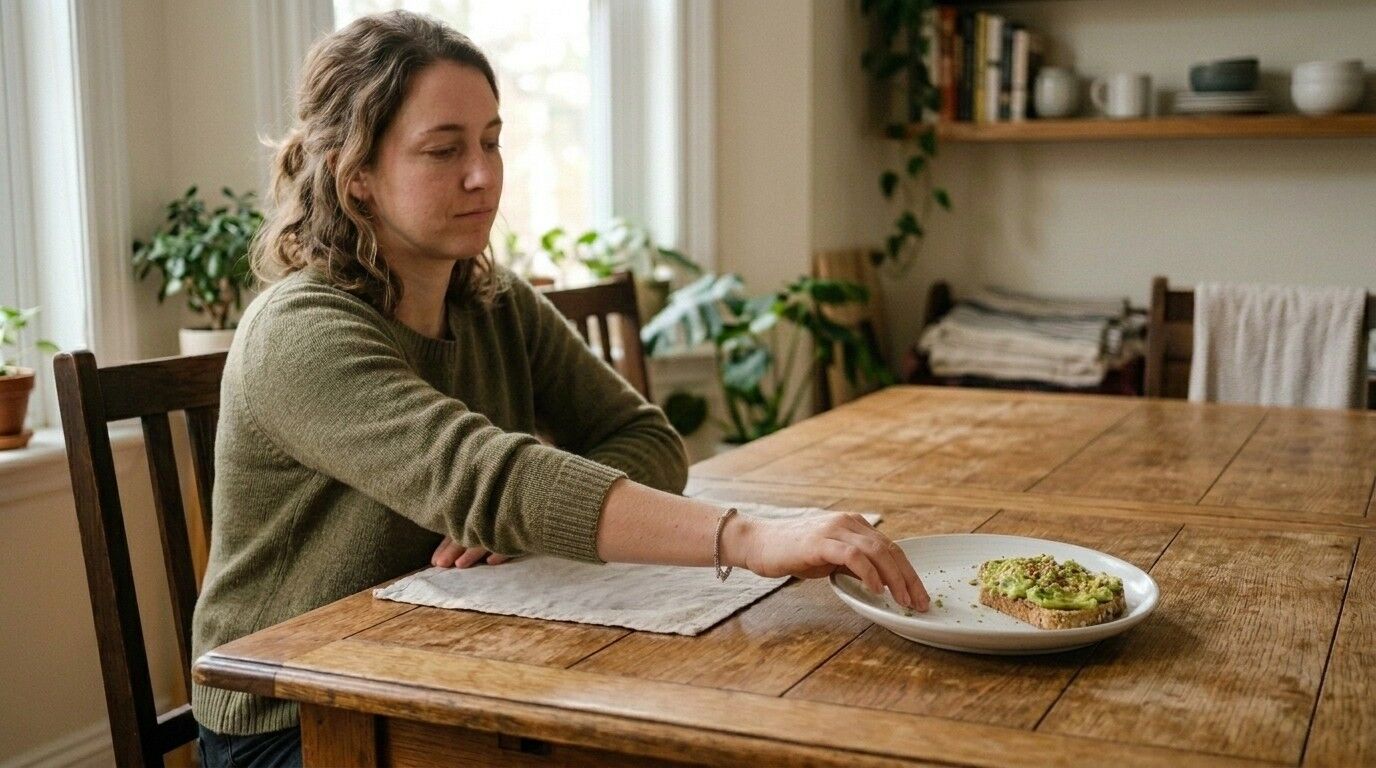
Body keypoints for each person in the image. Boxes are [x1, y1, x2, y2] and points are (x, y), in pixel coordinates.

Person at [191, 10, 928, 767]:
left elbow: (646, 439)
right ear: (358, 178)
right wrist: (748, 538)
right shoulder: (299, 330)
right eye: (443, 150)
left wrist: (514, 522)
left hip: (459, 667)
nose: (482, 175)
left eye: (490, 141)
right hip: (293, 719)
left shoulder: (493, 299)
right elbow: (488, 475)